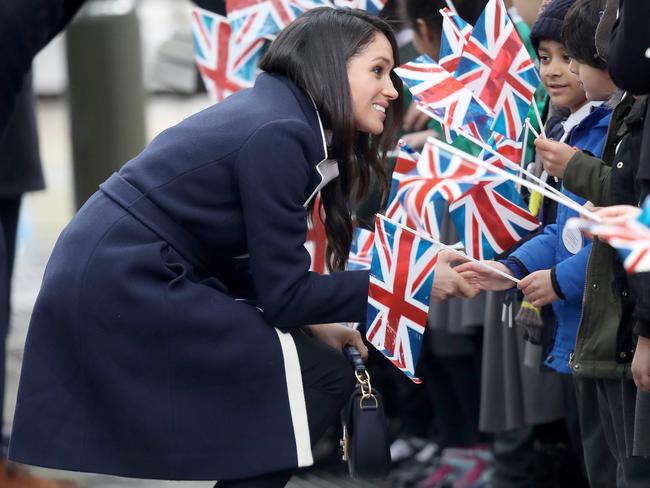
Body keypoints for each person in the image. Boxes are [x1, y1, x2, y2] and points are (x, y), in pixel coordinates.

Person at [7, 7, 478, 487]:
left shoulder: (285, 116)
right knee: (317, 377)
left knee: (314, 373)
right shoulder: (283, 131)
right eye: (378, 70)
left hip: (129, 268)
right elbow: (284, 295)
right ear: (333, 65)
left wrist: (320, 322)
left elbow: (262, 271)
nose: (392, 90)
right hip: (127, 279)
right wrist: (410, 281)